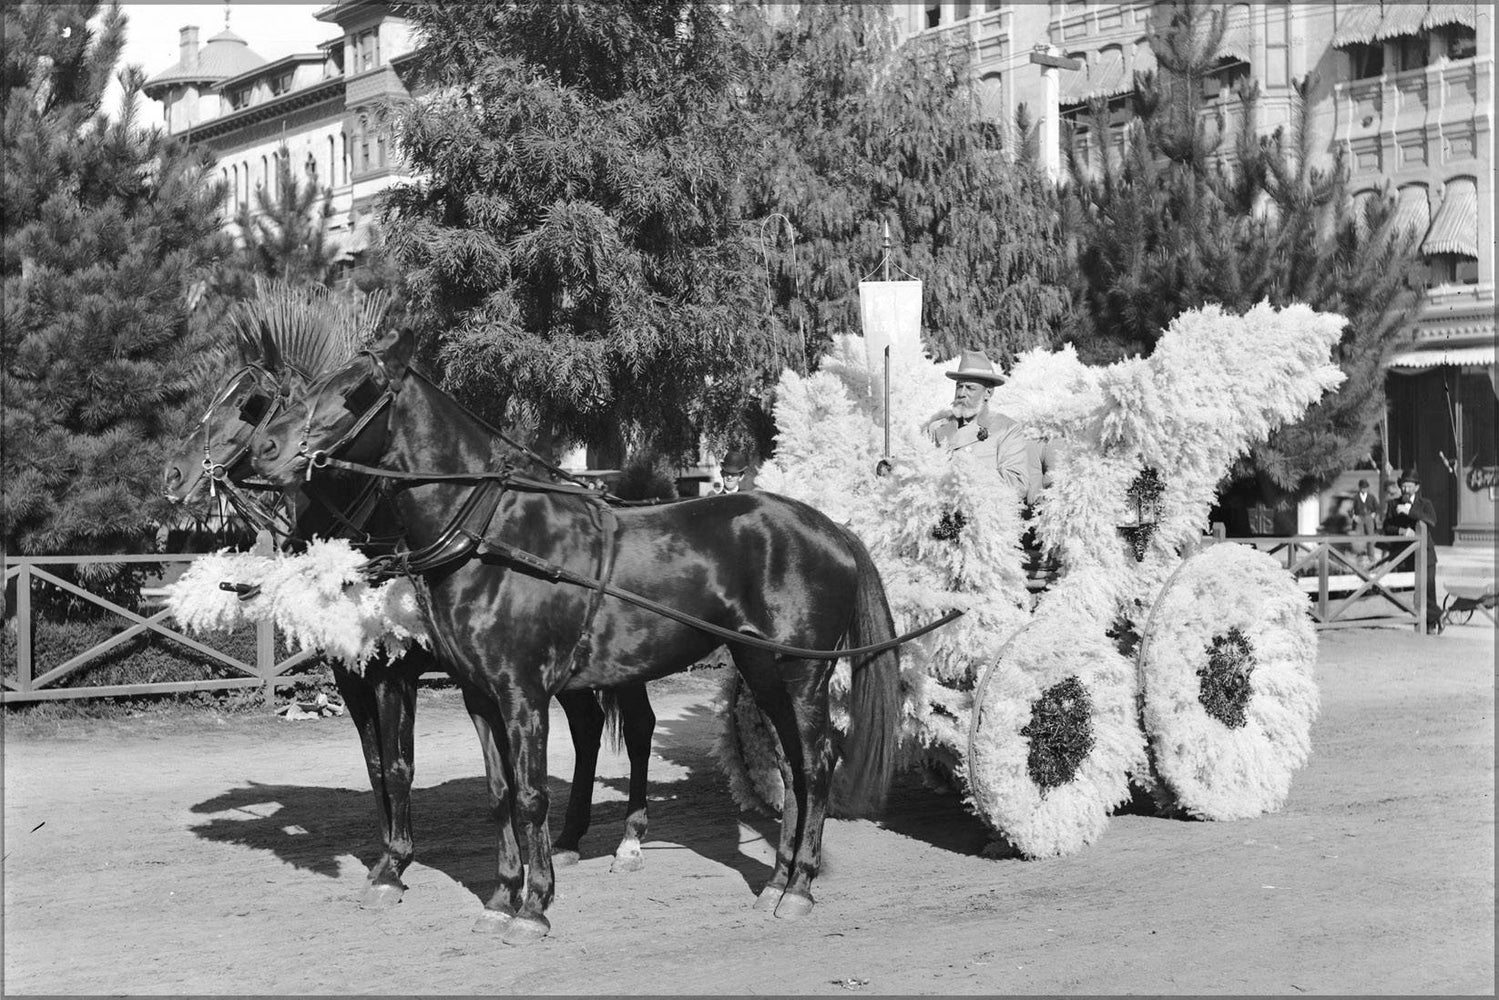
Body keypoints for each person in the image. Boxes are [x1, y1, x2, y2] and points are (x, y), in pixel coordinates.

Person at [924, 348, 1028, 496]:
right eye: (959, 386)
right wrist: (896, 467)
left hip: (983, 510)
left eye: (970, 388)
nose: (961, 394)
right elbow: (920, 465)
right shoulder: (937, 427)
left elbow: (1018, 484)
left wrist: (968, 472)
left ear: (988, 392)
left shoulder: (1007, 429)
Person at [1382, 469, 1441, 633]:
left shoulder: (1425, 504)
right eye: (1403, 486)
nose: (1406, 490)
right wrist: (1401, 531)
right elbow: (1387, 527)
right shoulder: (1393, 504)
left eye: (1409, 486)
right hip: (1405, 556)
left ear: (1417, 487)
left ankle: (1432, 622)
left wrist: (1410, 512)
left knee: (1428, 590)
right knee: (1411, 590)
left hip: (1426, 555)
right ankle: (1426, 620)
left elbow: (1432, 521)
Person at [1351, 478, 1380, 562]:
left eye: (1366, 487)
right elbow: (1350, 509)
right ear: (1359, 488)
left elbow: (1377, 508)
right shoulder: (1355, 497)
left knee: (1370, 538)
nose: (1364, 489)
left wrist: (1374, 514)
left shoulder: (1371, 497)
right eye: (1362, 487)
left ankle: (1371, 558)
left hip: (1369, 517)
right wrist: (1354, 517)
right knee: (1359, 539)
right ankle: (1359, 559)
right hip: (1359, 518)